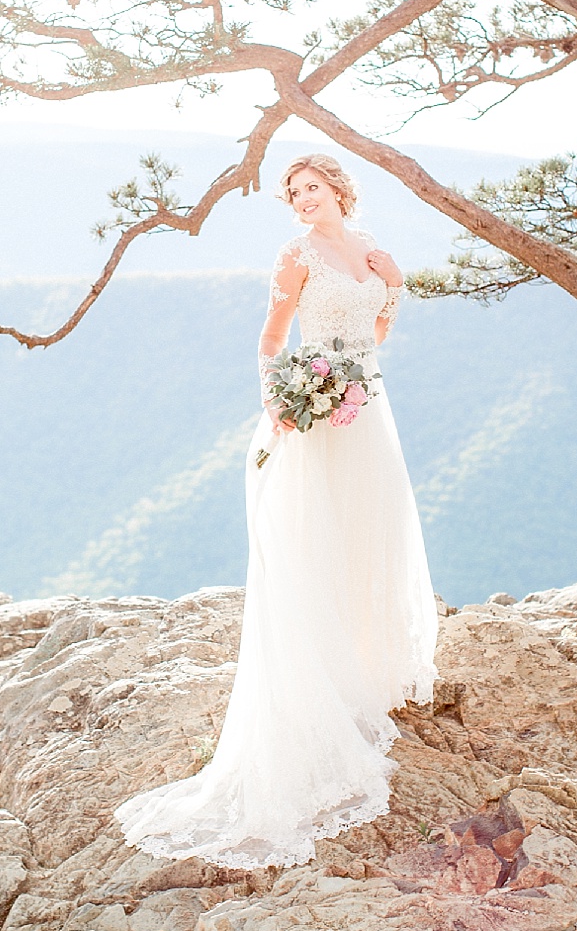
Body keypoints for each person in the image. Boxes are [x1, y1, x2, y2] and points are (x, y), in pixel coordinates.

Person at [111, 153, 440, 870]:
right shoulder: (295, 256)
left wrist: (394, 285)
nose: (302, 200)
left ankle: (364, 672)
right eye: (293, 193)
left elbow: (375, 338)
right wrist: (282, 400)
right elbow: (270, 339)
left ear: (339, 190)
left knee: (369, 534)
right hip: (315, 415)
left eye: (311, 188)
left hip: (369, 408)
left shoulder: (369, 251)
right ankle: (315, 690)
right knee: (313, 542)